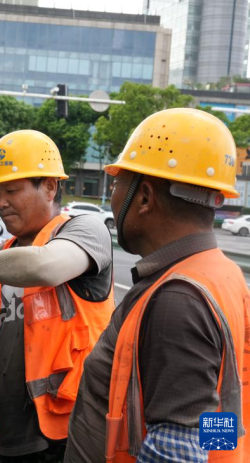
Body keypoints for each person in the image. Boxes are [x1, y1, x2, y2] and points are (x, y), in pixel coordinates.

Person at [65, 108, 250, 462]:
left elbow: (178, 451)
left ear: (145, 197)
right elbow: (213, 413)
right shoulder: (219, 273)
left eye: (118, 183)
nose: (114, 196)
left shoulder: (178, 299)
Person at [0, 130, 115, 462]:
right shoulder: (4, 257)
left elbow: (46, 267)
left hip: (71, 434)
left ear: (50, 186)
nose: (0, 202)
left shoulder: (84, 230)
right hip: (18, 439)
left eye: (12, 190)